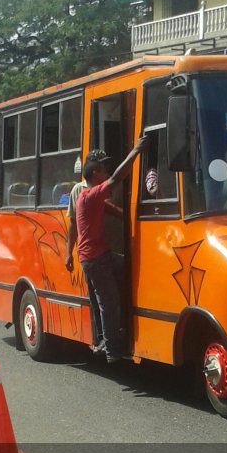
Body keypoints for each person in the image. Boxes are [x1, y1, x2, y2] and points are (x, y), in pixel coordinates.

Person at [75, 137, 147, 364]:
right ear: (95, 173)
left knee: (127, 267)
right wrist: (135, 150)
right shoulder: (89, 195)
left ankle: (109, 337)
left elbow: (113, 210)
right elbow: (117, 178)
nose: (107, 170)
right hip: (95, 259)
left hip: (99, 255)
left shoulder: (90, 197)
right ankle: (112, 349)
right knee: (109, 301)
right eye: (103, 168)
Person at [65, 149, 108, 355]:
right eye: (101, 166)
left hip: (106, 247)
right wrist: (68, 253)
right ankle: (101, 338)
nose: (105, 170)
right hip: (90, 253)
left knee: (106, 297)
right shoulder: (80, 191)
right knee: (98, 297)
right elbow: (73, 224)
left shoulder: (105, 185)